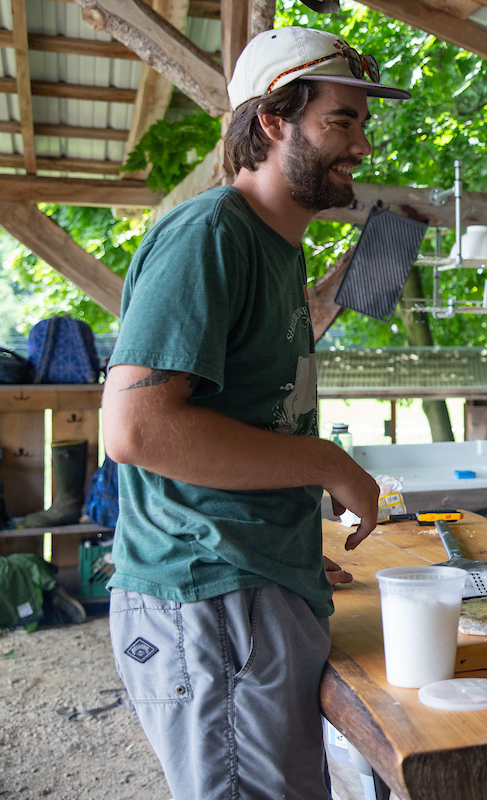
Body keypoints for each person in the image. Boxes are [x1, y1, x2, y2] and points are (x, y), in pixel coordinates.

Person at [101, 27, 410, 799]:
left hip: (251, 582)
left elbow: (247, 421)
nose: (363, 146)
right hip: (208, 596)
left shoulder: (279, 248)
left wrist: (293, 544)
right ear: (273, 122)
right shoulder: (211, 234)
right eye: (343, 122)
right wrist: (328, 463)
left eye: (362, 126)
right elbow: (136, 430)